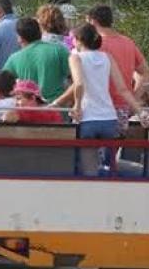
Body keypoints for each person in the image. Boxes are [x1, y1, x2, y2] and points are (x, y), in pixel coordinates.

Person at [53, 23, 142, 174]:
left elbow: (79, 84)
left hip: (88, 118)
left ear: (79, 40)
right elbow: (123, 89)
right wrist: (140, 111)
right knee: (111, 166)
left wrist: (77, 106)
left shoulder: (76, 57)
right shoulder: (107, 57)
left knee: (89, 170)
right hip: (109, 118)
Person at [86, 4, 149, 100]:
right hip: (125, 105)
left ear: (93, 22)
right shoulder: (128, 42)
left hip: (100, 106)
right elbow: (146, 72)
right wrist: (134, 98)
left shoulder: (94, 45)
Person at [1, 16, 72, 101]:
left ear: (20, 38)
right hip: (58, 108)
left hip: (30, 108)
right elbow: (75, 79)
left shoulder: (14, 59)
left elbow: (1, 84)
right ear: (40, 33)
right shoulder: (59, 50)